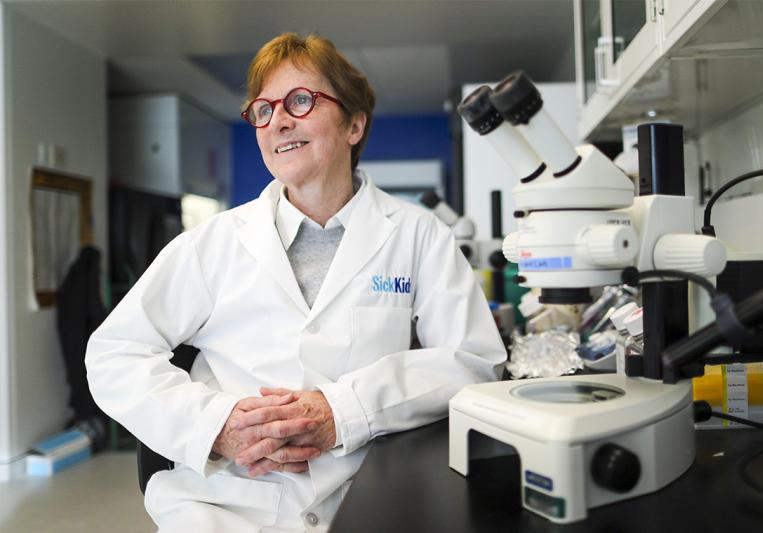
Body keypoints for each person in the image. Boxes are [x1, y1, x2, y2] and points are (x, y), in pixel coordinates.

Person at [86, 32, 505, 532]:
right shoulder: (213, 243)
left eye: (300, 101)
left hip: (367, 493)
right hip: (222, 504)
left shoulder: (418, 235)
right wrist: (216, 425)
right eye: (262, 110)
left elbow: (474, 362)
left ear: (354, 123)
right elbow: (114, 354)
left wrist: (342, 410)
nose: (277, 121)